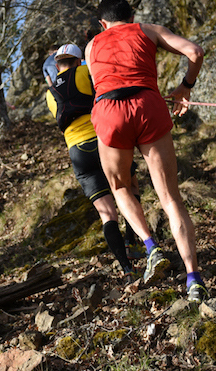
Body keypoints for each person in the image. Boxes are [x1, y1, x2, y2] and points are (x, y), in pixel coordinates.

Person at [84, 0, 208, 303]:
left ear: (102, 24)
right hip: (148, 104)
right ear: (132, 16)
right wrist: (185, 86)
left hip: (110, 110)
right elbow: (195, 51)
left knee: (120, 186)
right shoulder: (148, 29)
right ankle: (194, 280)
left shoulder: (90, 47)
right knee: (169, 197)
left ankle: (151, 248)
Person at [46, 43, 144, 284]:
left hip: (77, 151)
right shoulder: (85, 72)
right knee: (130, 187)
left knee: (106, 213)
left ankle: (126, 267)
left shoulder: (49, 94)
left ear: (57, 65)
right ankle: (133, 242)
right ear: (79, 61)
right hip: (103, 139)